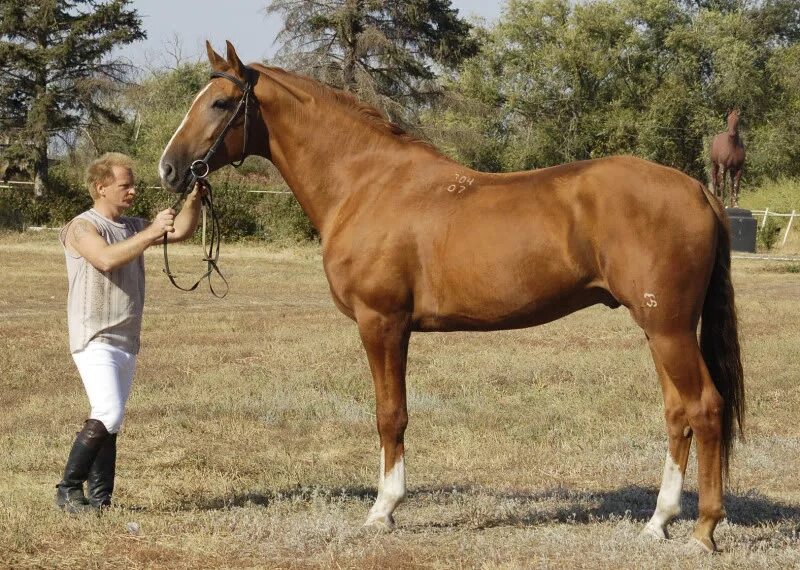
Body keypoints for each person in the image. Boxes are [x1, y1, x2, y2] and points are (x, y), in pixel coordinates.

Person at [55, 152, 206, 512]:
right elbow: (105, 258)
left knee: (112, 419)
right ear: (100, 187)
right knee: (108, 411)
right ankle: (67, 489)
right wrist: (152, 231)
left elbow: (182, 230)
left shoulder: (132, 226)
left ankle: (101, 500)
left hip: (125, 338)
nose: (133, 191)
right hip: (94, 335)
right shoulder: (81, 227)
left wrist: (194, 199)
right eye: (125, 185)